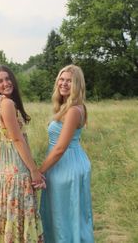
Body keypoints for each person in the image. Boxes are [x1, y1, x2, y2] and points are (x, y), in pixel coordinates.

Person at [0, 65, 44, 243]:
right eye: (0, 81)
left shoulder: (0, 102)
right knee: (18, 211)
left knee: (8, 211)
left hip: (4, 166)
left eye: (8, 78)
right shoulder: (7, 103)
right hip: (15, 167)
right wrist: (34, 170)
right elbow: (17, 140)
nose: (5, 83)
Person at [39, 65, 94, 243]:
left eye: (69, 81)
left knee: (63, 216)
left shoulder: (73, 110)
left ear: (77, 84)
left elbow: (60, 148)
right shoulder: (66, 107)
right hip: (67, 162)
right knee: (66, 213)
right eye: (61, 80)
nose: (63, 83)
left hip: (65, 165)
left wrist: (39, 172)